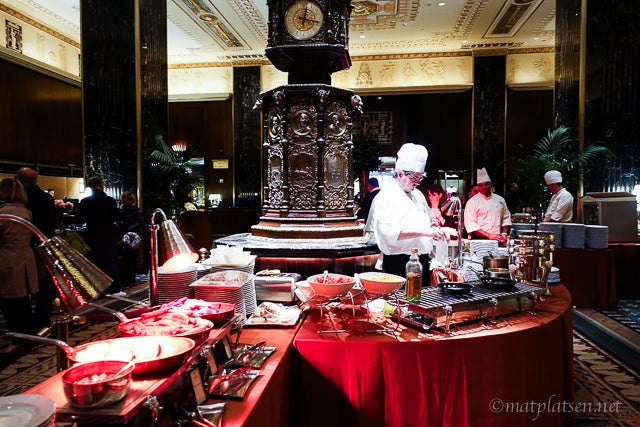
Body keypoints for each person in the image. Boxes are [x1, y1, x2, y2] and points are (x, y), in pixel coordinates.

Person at [367, 143, 454, 287]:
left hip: (422, 261)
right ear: (400, 173)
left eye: (421, 178)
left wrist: (438, 231)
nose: (418, 183)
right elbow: (390, 234)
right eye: (414, 178)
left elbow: (430, 222)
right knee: (399, 301)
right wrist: (426, 232)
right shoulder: (385, 197)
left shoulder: (418, 195)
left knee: (422, 300)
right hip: (397, 263)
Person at [16, 167, 59, 330]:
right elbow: (54, 221)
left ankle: (25, 326)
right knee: (44, 286)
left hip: (26, 247)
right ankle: (43, 320)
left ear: (21, 180)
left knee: (23, 287)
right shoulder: (46, 197)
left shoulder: (22, 200)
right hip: (45, 245)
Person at [0, 178, 38, 350]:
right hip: (26, 257)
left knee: (10, 303)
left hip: (8, 258)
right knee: (23, 302)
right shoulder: (26, 211)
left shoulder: (3, 213)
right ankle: (27, 335)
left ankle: (17, 339)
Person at [77, 176, 121, 294]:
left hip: (93, 234)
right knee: (111, 261)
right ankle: (115, 288)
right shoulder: (110, 200)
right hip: (108, 234)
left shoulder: (85, 201)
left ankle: (98, 289)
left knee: (95, 262)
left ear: (90, 186)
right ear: (101, 185)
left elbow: (80, 219)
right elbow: (117, 217)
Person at [464, 168, 512, 244]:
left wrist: (504, 233)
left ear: (490, 184)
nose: (484, 187)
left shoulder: (500, 200)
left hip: (498, 239)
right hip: (479, 240)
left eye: (486, 184)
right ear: (478, 186)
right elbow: (471, 224)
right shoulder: (472, 202)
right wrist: (489, 236)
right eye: (481, 185)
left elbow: (506, 218)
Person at [118, 191, 145, 288]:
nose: (124, 202)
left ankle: (131, 277)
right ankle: (127, 277)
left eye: (125, 200)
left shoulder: (135, 209)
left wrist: (130, 228)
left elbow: (141, 221)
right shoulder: (121, 209)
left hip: (134, 235)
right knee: (126, 256)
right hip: (125, 234)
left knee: (132, 256)